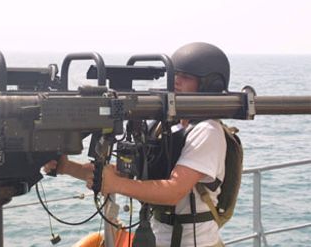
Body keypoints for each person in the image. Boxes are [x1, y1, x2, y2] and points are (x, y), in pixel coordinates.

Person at [44, 42, 230, 247]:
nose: (176, 81)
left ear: (209, 84)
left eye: (186, 77)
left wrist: (116, 184)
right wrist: (67, 167)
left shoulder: (207, 131)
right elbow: (122, 174)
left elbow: (173, 191)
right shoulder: (166, 126)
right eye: (175, 74)